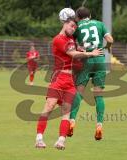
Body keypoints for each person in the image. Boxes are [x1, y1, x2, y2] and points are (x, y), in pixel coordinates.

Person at [35, 9, 103, 150]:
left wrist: (82, 49)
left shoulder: (71, 39)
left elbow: (76, 49)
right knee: (48, 107)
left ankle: (61, 141)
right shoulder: (58, 39)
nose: (73, 29)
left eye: (75, 27)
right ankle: (39, 138)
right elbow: (73, 54)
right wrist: (91, 53)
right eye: (71, 26)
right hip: (58, 78)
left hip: (70, 81)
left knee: (66, 112)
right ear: (64, 23)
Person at [68, 7, 114, 140]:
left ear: (78, 17)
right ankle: (99, 125)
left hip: (86, 60)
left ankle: (72, 121)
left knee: (79, 92)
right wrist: (107, 48)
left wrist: (79, 47)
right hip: (100, 59)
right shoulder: (99, 24)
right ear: (90, 15)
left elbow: (70, 43)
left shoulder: (77, 27)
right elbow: (110, 40)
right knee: (99, 95)